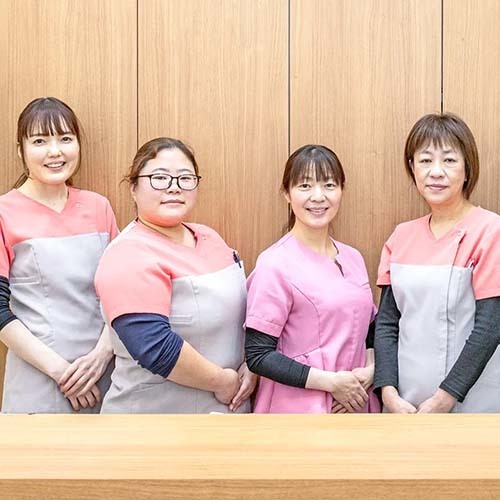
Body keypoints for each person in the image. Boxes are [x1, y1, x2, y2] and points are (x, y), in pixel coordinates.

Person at [94, 137, 256, 413]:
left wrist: (254, 362)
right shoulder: (127, 253)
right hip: (155, 420)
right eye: (159, 178)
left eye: (185, 178)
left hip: (224, 417)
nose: (174, 187)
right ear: (133, 188)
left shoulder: (210, 237)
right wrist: (223, 382)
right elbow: (153, 346)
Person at [374, 112, 500, 413]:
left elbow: (490, 326)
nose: (436, 172)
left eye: (449, 160)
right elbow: (387, 324)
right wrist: (388, 392)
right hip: (406, 405)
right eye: (425, 160)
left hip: (474, 404)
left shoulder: (490, 230)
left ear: (467, 169)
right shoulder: (401, 236)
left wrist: (445, 398)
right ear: (412, 167)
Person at [0, 97, 119, 413]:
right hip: (38, 382)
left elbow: (123, 295)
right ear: (21, 151)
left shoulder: (98, 207)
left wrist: (101, 355)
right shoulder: (4, 213)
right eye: (40, 141)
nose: (55, 151)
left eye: (65, 138)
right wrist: (62, 372)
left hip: (105, 376)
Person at [245, 144, 379, 413]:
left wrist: (373, 369)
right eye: (305, 186)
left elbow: (370, 330)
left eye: (329, 185)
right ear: (287, 193)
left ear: (341, 190)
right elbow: (258, 355)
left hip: (356, 404)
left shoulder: (353, 257)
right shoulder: (274, 264)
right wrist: (332, 383)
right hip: (298, 411)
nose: (318, 196)